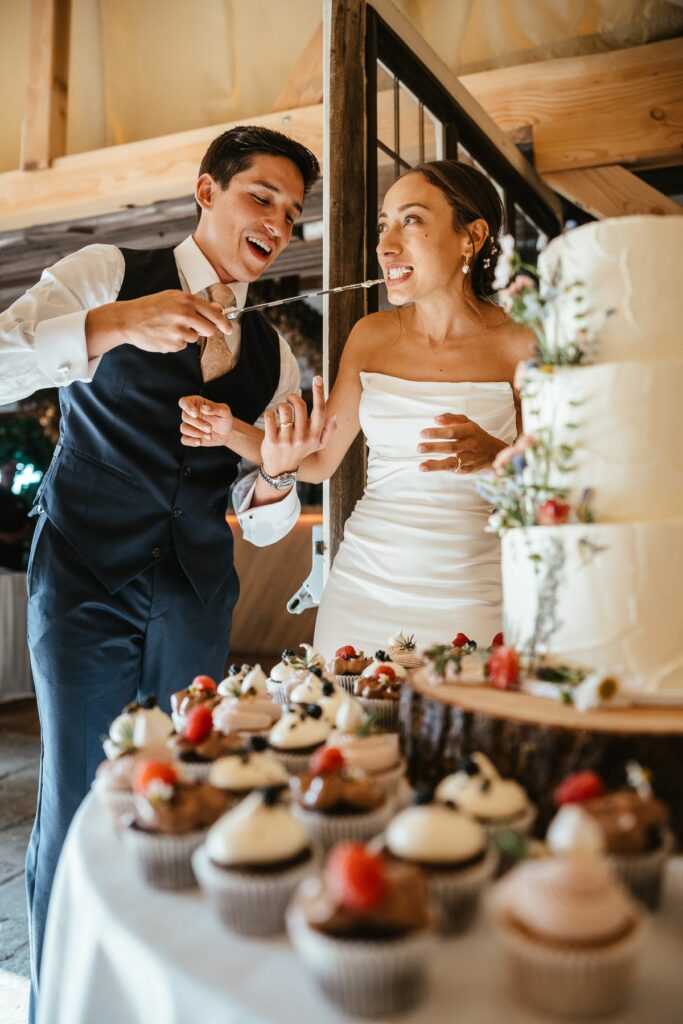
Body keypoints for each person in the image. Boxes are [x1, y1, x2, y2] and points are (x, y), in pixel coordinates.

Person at [0, 125, 326, 1020]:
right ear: (206, 192)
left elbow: (259, 529)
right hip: (83, 577)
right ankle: (61, 1002)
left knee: (181, 786)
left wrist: (273, 471)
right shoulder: (111, 270)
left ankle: (149, 997)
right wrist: (111, 326)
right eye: (261, 195)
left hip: (196, 593)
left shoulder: (274, 355)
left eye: (293, 213)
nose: (278, 222)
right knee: (80, 791)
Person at [181, 160, 535, 655]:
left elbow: (565, 483)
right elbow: (319, 460)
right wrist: (229, 430)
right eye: (384, 226)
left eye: (411, 221)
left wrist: (498, 455)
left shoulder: (524, 343)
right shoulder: (371, 336)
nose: (386, 245)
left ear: (470, 237)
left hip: (474, 588)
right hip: (362, 587)